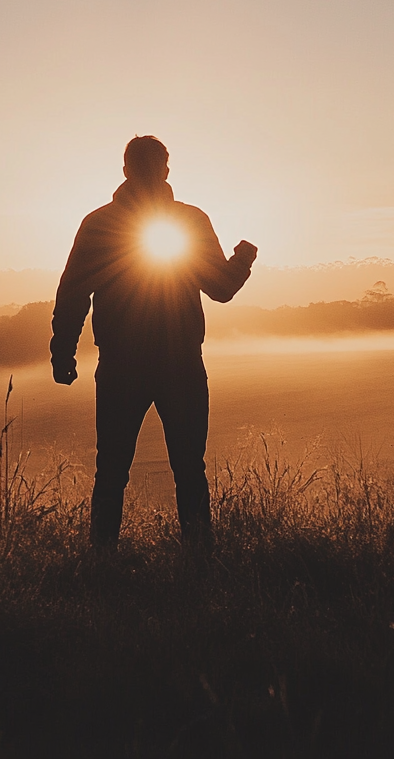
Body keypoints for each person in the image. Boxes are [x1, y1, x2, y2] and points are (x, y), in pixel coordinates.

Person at [50, 135, 257, 548]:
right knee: (187, 469)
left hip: (121, 365)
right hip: (179, 362)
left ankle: (103, 564)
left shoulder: (99, 223)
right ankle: (198, 564)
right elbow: (220, 288)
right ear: (165, 170)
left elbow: (73, 292)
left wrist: (63, 352)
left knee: (111, 471)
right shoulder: (189, 220)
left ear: (125, 170)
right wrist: (244, 258)